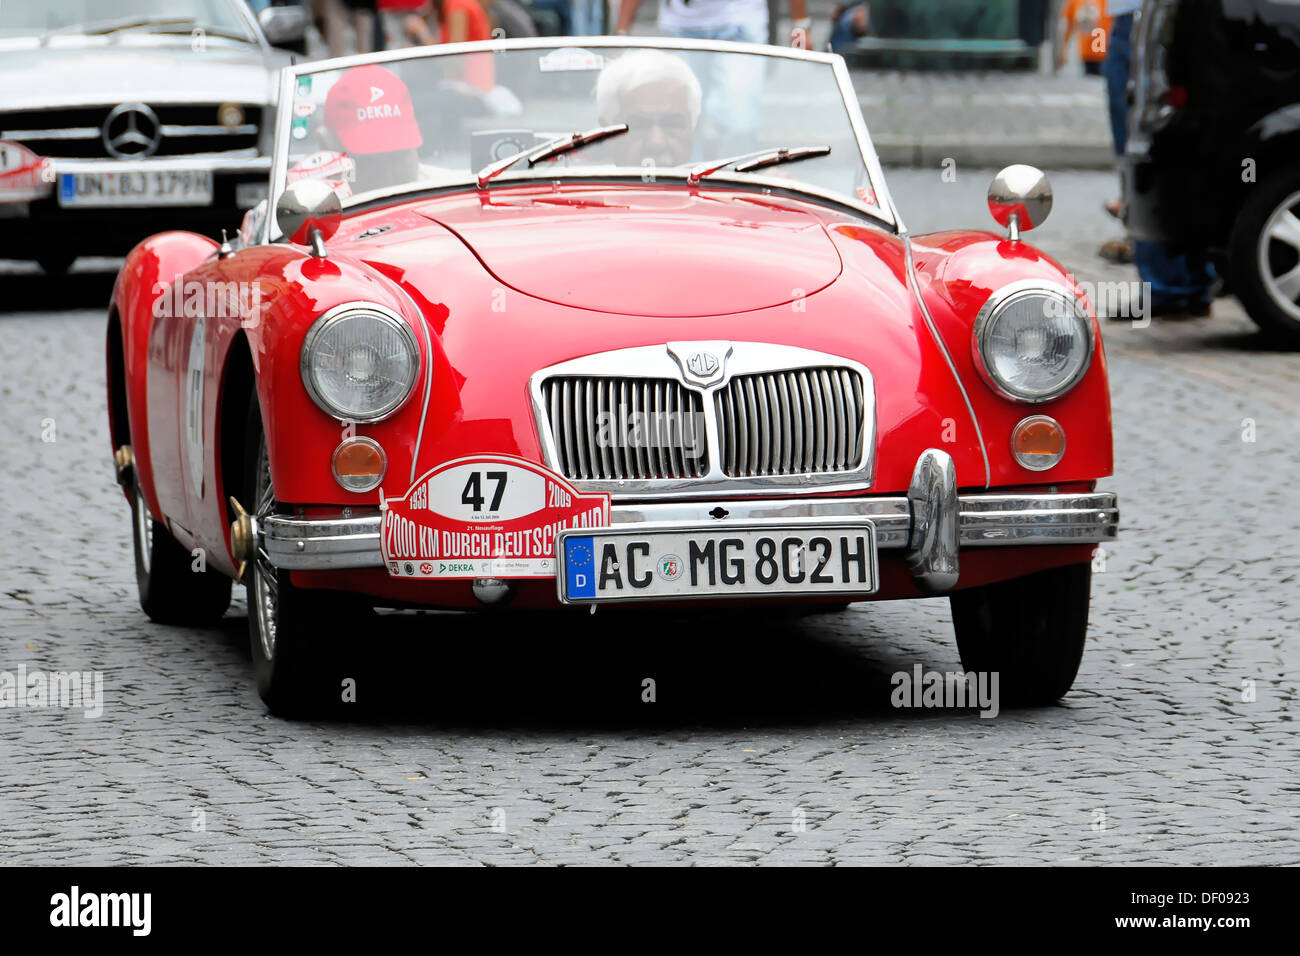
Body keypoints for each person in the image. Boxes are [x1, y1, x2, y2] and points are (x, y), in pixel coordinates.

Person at [1103, 1, 1215, 317]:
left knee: (1146, 143)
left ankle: (1169, 282)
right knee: (1178, 142)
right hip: (1166, 15)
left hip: (1145, 16)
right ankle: (1189, 277)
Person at [319, 64, 423, 193]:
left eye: (398, 158)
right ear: (326, 144)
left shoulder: (441, 185)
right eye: (368, 161)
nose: (387, 178)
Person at [595, 49, 702, 168]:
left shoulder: (722, 182)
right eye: (638, 126)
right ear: (606, 134)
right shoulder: (579, 182)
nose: (656, 142)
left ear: (694, 127)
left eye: (672, 125)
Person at [614, 0, 811, 50]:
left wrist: (800, 25)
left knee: (740, 118)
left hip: (740, 22)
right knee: (685, 113)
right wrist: (622, 31)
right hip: (681, 25)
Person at [1057, 0, 1110, 76]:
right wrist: (1063, 51)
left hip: (1105, 55)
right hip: (1087, 55)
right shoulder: (1075, 2)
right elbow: (1069, 26)